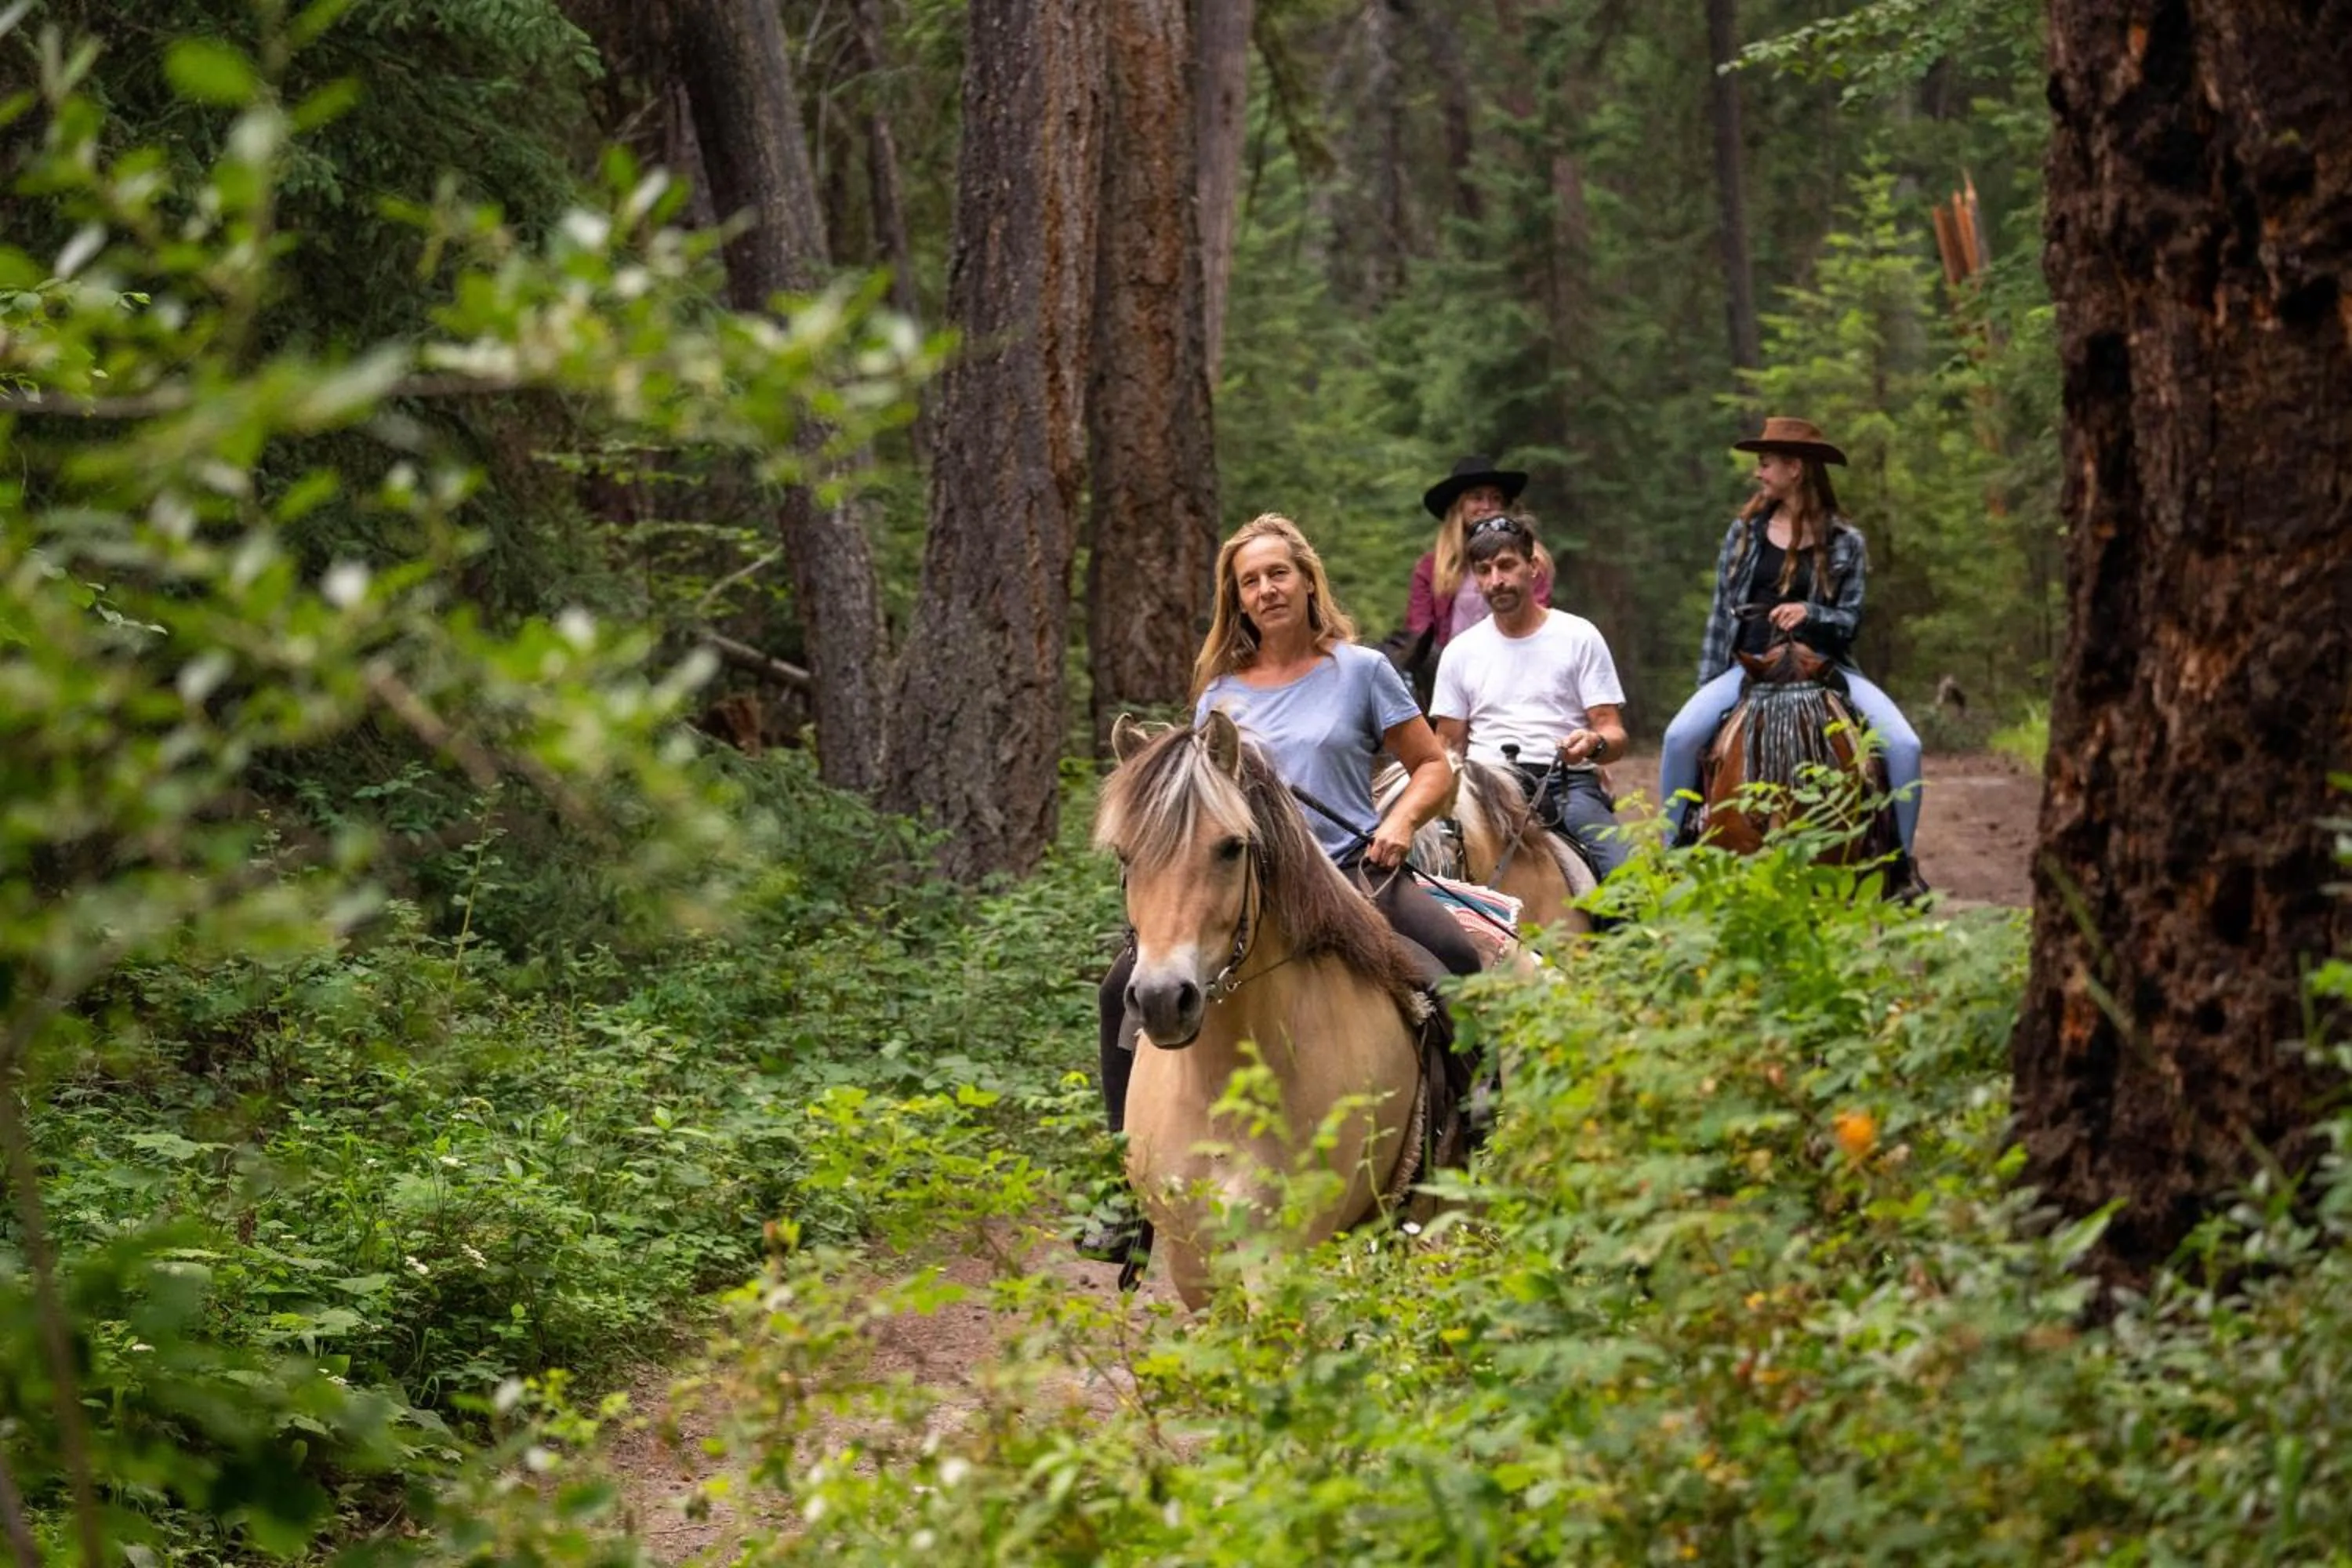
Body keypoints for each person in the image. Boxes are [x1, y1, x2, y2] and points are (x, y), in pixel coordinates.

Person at [1081, 513, 1480, 1262]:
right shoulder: (1220, 696)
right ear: (1235, 599)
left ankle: (1470, 1131)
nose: (1266, 590)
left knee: (1453, 959)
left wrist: (1398, 824)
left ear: (1306, 581)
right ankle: (1123, 1187)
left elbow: (1434, 766)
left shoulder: (1361, 671)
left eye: (1277, 574)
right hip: (1245, 886)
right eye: (1249, 581)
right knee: (1118, 990)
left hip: (1350, 868)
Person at [1657, 416, 1924, 874]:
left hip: (1825, 669)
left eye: (1766, 464)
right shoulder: (1743, 536)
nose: (1759, 473)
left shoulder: (1846, 542)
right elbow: (1721, 619)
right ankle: (1672, 857)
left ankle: (1899, 867)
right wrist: (1707, 688)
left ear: (1795, 468)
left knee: (1905, 746)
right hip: (1750, 668)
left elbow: (1850, 621)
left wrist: (1811, 612)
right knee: (1679, 737)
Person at [1428, 514, 1632, 880]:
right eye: (1484, 570)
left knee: (1626, 878)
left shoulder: (1578, 636)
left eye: (1507, 566)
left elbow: (1614, 735)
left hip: (1566, 784)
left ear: (1533, 566)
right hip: (1483, 786)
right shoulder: (1460, 652)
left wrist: (1592, 744)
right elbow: (1446, 747)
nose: (1496, 581)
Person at [1393, 456, 1555, 700]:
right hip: (1449, 673)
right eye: (1477, 497)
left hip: (1517, 666)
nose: (1487, 505)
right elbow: (1419, 630)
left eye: (1496, 498)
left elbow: (1537, 614)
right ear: (1459, 506)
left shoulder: (1532, 561)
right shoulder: (1431, 568)